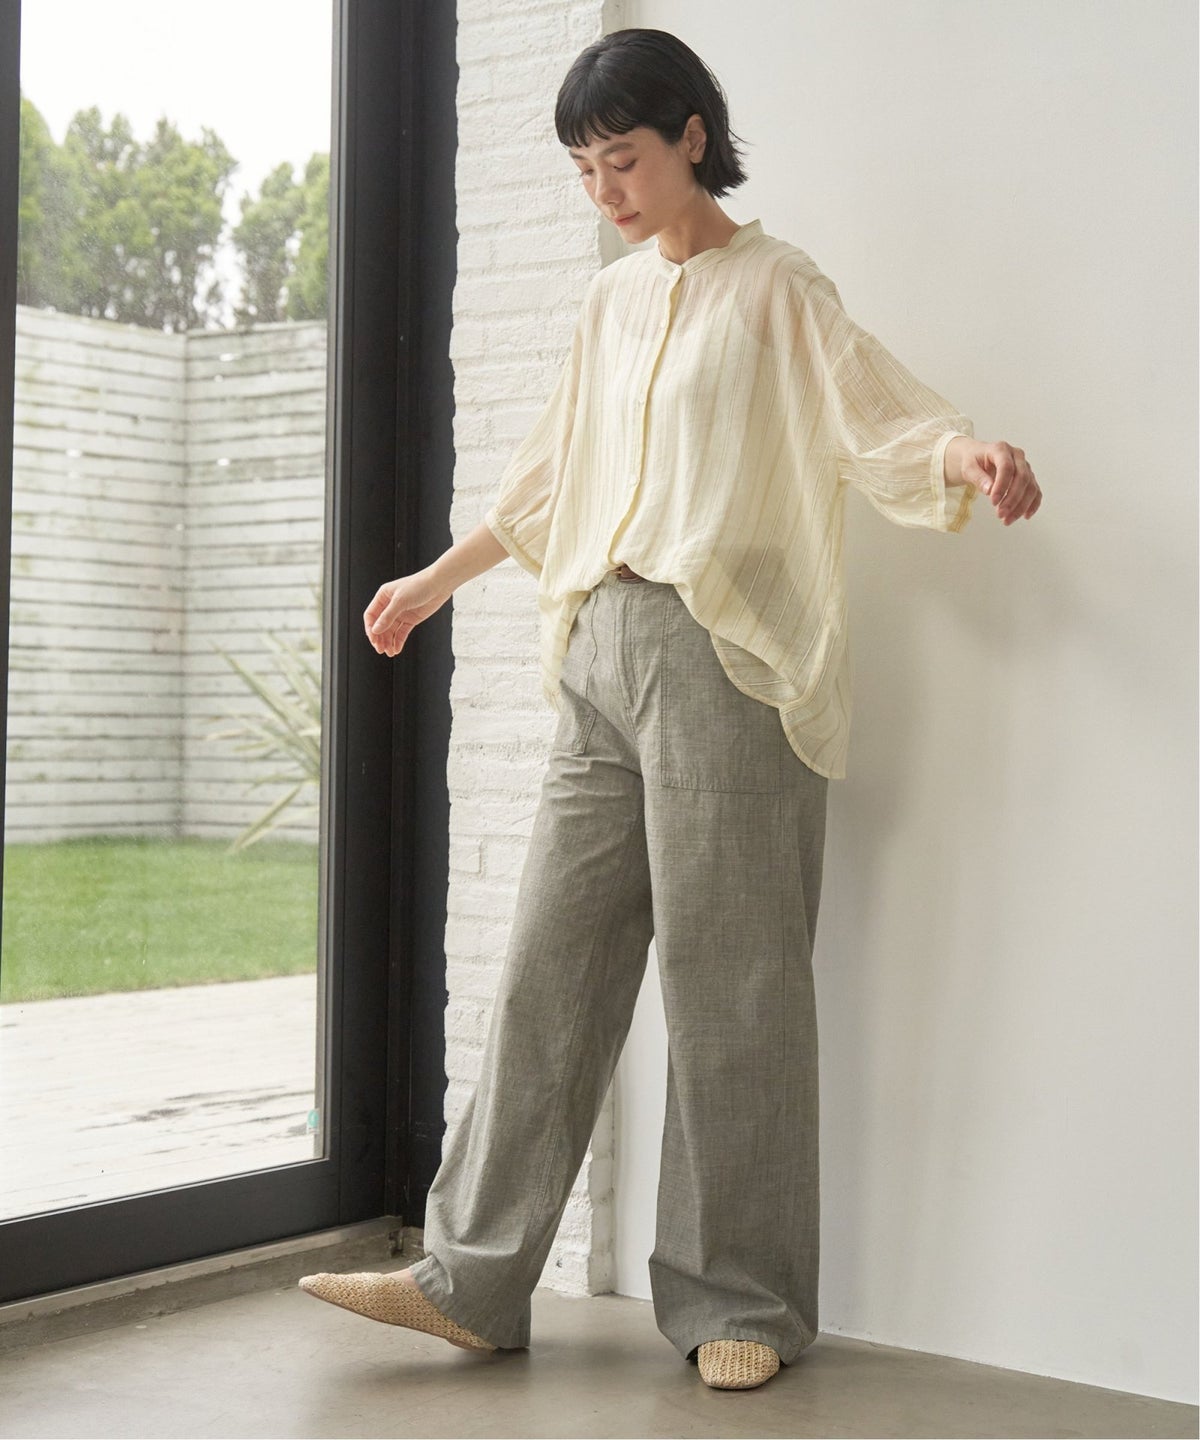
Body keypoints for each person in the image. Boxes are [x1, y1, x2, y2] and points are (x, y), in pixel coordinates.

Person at [299, 27, 1042, 1393]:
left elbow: (866, 410)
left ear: (694, 137)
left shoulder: (776, 287)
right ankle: (470, 1279)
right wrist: (432, 580)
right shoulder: (609, 303)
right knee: (549, 966)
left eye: (624, 160)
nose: (607, 191)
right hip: (600, 647)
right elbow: (548, 479)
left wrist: (962, 451)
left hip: (724, 655)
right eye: (584, 170)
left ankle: (739, 1300)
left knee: (732, 981)